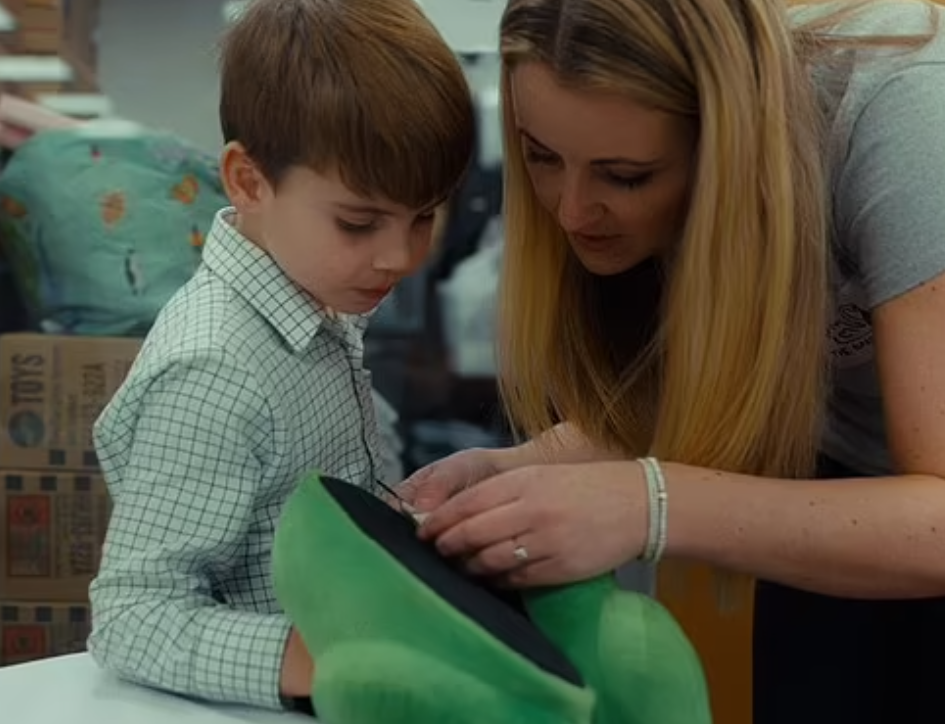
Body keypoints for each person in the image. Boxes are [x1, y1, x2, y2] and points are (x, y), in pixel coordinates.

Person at [399, 0, 945, 722]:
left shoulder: (907, 116)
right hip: (839, 502)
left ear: (726, 141)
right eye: (542, 157)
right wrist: (520, 470)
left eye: (625, 176)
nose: (571, 212)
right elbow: (718, 385)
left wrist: (650, 504)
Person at [86, 0, 474, 713]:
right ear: (247, 181)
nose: (400, 256)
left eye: (422, 216)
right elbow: (134, 617)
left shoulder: (317, 300)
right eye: (358, 222)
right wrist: (328, 659)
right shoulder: (214, 372)